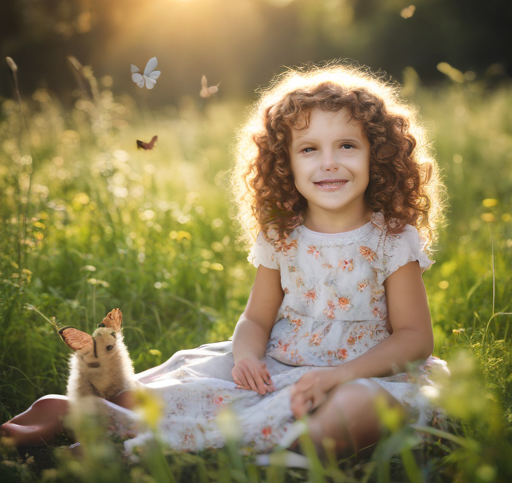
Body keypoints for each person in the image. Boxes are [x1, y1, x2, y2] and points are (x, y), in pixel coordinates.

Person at [1, 63, 447, 458]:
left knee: (361, 409)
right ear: (285, 163)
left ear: (379, 155)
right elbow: (255, 320)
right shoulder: (282, 237)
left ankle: (182, 442)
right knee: (176, 391)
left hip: (362, 374)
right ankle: (88, 416)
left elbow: (413, 339)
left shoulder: (391, 239)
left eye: (347, 146)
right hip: (277, 369)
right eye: (309, 149)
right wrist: (247, 358)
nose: (329, 163)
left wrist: (339, 376)